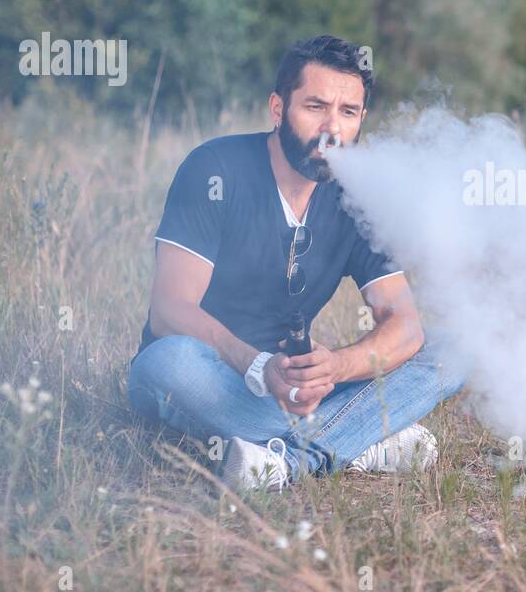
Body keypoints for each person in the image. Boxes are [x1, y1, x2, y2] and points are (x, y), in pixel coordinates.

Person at [126, 35, 464, 492]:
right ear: (278, 108)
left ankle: (285, 459)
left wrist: (337, 368)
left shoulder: (357, 198)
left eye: (347, 113)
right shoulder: (215, 170)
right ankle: (358, 439)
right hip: (216, 377)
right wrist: (258, 366)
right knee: (164, 363)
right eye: (315, 107)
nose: (332, 128)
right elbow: (169, 310)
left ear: (362, 119)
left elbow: (403, 324)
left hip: (300, 392)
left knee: (455, 348)